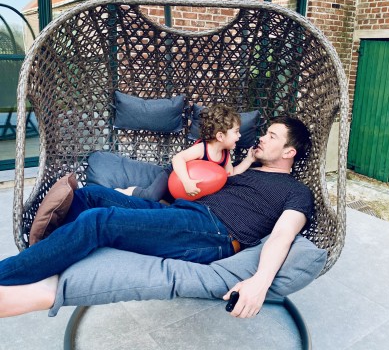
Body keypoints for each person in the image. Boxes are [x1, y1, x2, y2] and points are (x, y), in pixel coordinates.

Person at [0, 115, 313, 319]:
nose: (261, 138)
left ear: (290, 152)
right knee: (92, 195)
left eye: (272, 136)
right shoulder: (247, 170)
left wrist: (260, 282)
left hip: (215, 233)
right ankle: (52, 254)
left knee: (98, 221)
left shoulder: (297, 192)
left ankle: (15, 272)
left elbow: (283, 235)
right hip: (185, 214)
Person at [114, 104, 255, 199]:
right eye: (236, 132)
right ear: (220, 136)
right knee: (151, 196)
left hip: (186, 190)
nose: (239, 136)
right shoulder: (202, 148)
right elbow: (178, 159)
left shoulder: (225, 154)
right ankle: (129, 191)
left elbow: (230, 174)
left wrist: (249, 160)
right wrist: (186, 181)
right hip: (173, 175)